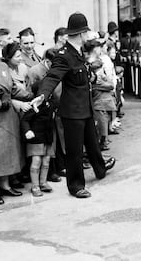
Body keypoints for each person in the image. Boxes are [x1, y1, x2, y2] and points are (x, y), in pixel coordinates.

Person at [31, 12, 116, 199]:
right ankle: (76, 185)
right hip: (72, 112)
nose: (89, 35)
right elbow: (52, 77)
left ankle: (100, 169)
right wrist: (42, 95)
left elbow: (84, 77)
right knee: (75, 151)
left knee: (93, 144)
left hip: (85, 108)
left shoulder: (78, 52)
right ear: (81, 33)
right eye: (86, 31)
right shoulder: (64, 55)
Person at [28, 48, 64, 183]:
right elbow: (32, 92)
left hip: (55, 111)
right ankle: (44, 177)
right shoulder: (35, 71)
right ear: (47, 61)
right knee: (40, 149)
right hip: (40, 114)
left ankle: (55, 169)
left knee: (53, 143)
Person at [0, 49, 25, 204]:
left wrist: (31, 95)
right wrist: (0, 103)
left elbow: (13, 88)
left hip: (7, 116)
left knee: (6, 151)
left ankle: (5, 184)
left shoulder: (2, 66)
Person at [22, 81, 56, 197]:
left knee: (46, 161)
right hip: (36, 138)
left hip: (47, 137)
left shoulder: (50, 103)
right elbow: (25, 120)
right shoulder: (34, 104)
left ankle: (43, 182)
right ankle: (35, 185)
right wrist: (27, 130)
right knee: (36, 162)